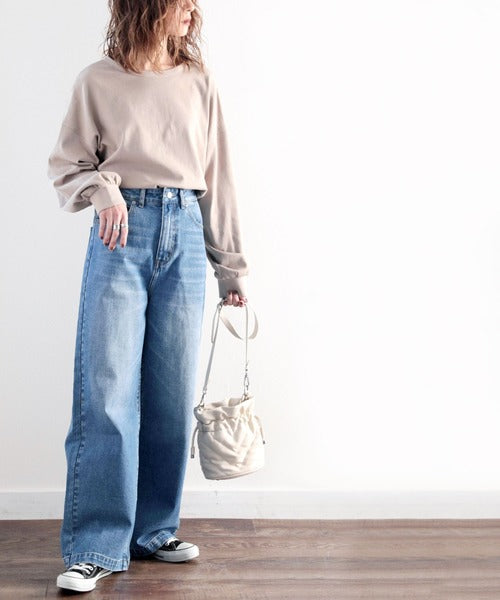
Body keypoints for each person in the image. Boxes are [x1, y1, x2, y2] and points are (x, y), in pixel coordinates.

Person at [47, 0, 250, 593]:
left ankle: (153, 531)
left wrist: (231, 268)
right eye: (179, 0)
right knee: (106, 392)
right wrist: (102, 189)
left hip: (184, 231)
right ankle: (95, 545)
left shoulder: (198, 82)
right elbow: (66, 164)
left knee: (170, 393)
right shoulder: (97, 81)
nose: (191, 9)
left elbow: (219, 177)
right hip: (121, 233)